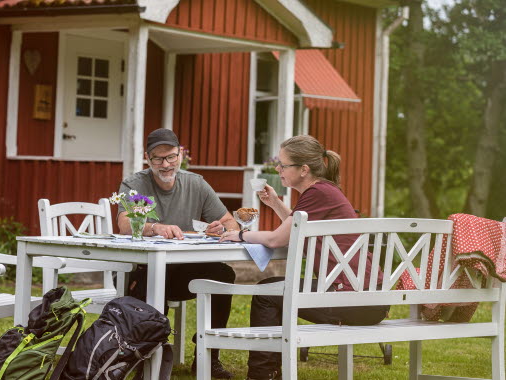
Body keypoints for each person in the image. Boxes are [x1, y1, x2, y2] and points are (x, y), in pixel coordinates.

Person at [220, 135, 389, 380]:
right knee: (271, 289)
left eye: (283, 165)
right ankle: (266, 372)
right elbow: (298, 228)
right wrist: (276, 203)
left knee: (267, 293)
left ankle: (262, 374)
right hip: (369, 299)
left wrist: (241, 235)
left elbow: (277, 239)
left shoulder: (318, 193)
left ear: (304, 169)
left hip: (353, 300)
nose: (278, 169)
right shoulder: (324, 191)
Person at [117, 128, 240, 379]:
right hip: (141, 270)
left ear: (180, 155)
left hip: (182, 271)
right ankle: (149, 358)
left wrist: (220, 227)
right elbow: (124, 224)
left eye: (171, 157)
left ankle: (209, 356)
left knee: (223, 274)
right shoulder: (134, 183)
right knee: (152, 282)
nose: (166, 164)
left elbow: (231, 223)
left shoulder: (196, 183)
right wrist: (155, 228)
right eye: (158, 159)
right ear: (147, 158)